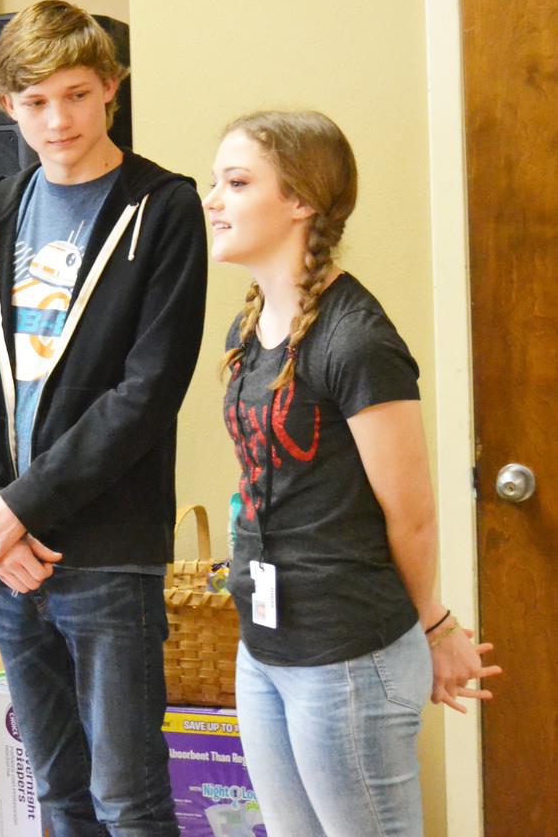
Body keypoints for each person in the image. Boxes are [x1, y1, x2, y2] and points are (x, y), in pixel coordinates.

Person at [0, 0, 208, 835]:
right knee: (56, 791)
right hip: (8, 557)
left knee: (128, 799)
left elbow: (146, 392)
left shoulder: (164, 208)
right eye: (37, 101)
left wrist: (20, 507)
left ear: (111, 89)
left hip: (108, 553)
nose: (59, 121)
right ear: (6, 105)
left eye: (78, 95)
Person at [205, 110, 500, 836]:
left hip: (346, 657)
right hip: (265, 647)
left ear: (301, 200)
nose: (213, 200)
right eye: (216, 182)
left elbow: (413, 514)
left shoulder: (357, 339)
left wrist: (432, 625)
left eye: (236, 183)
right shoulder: (249, 327)